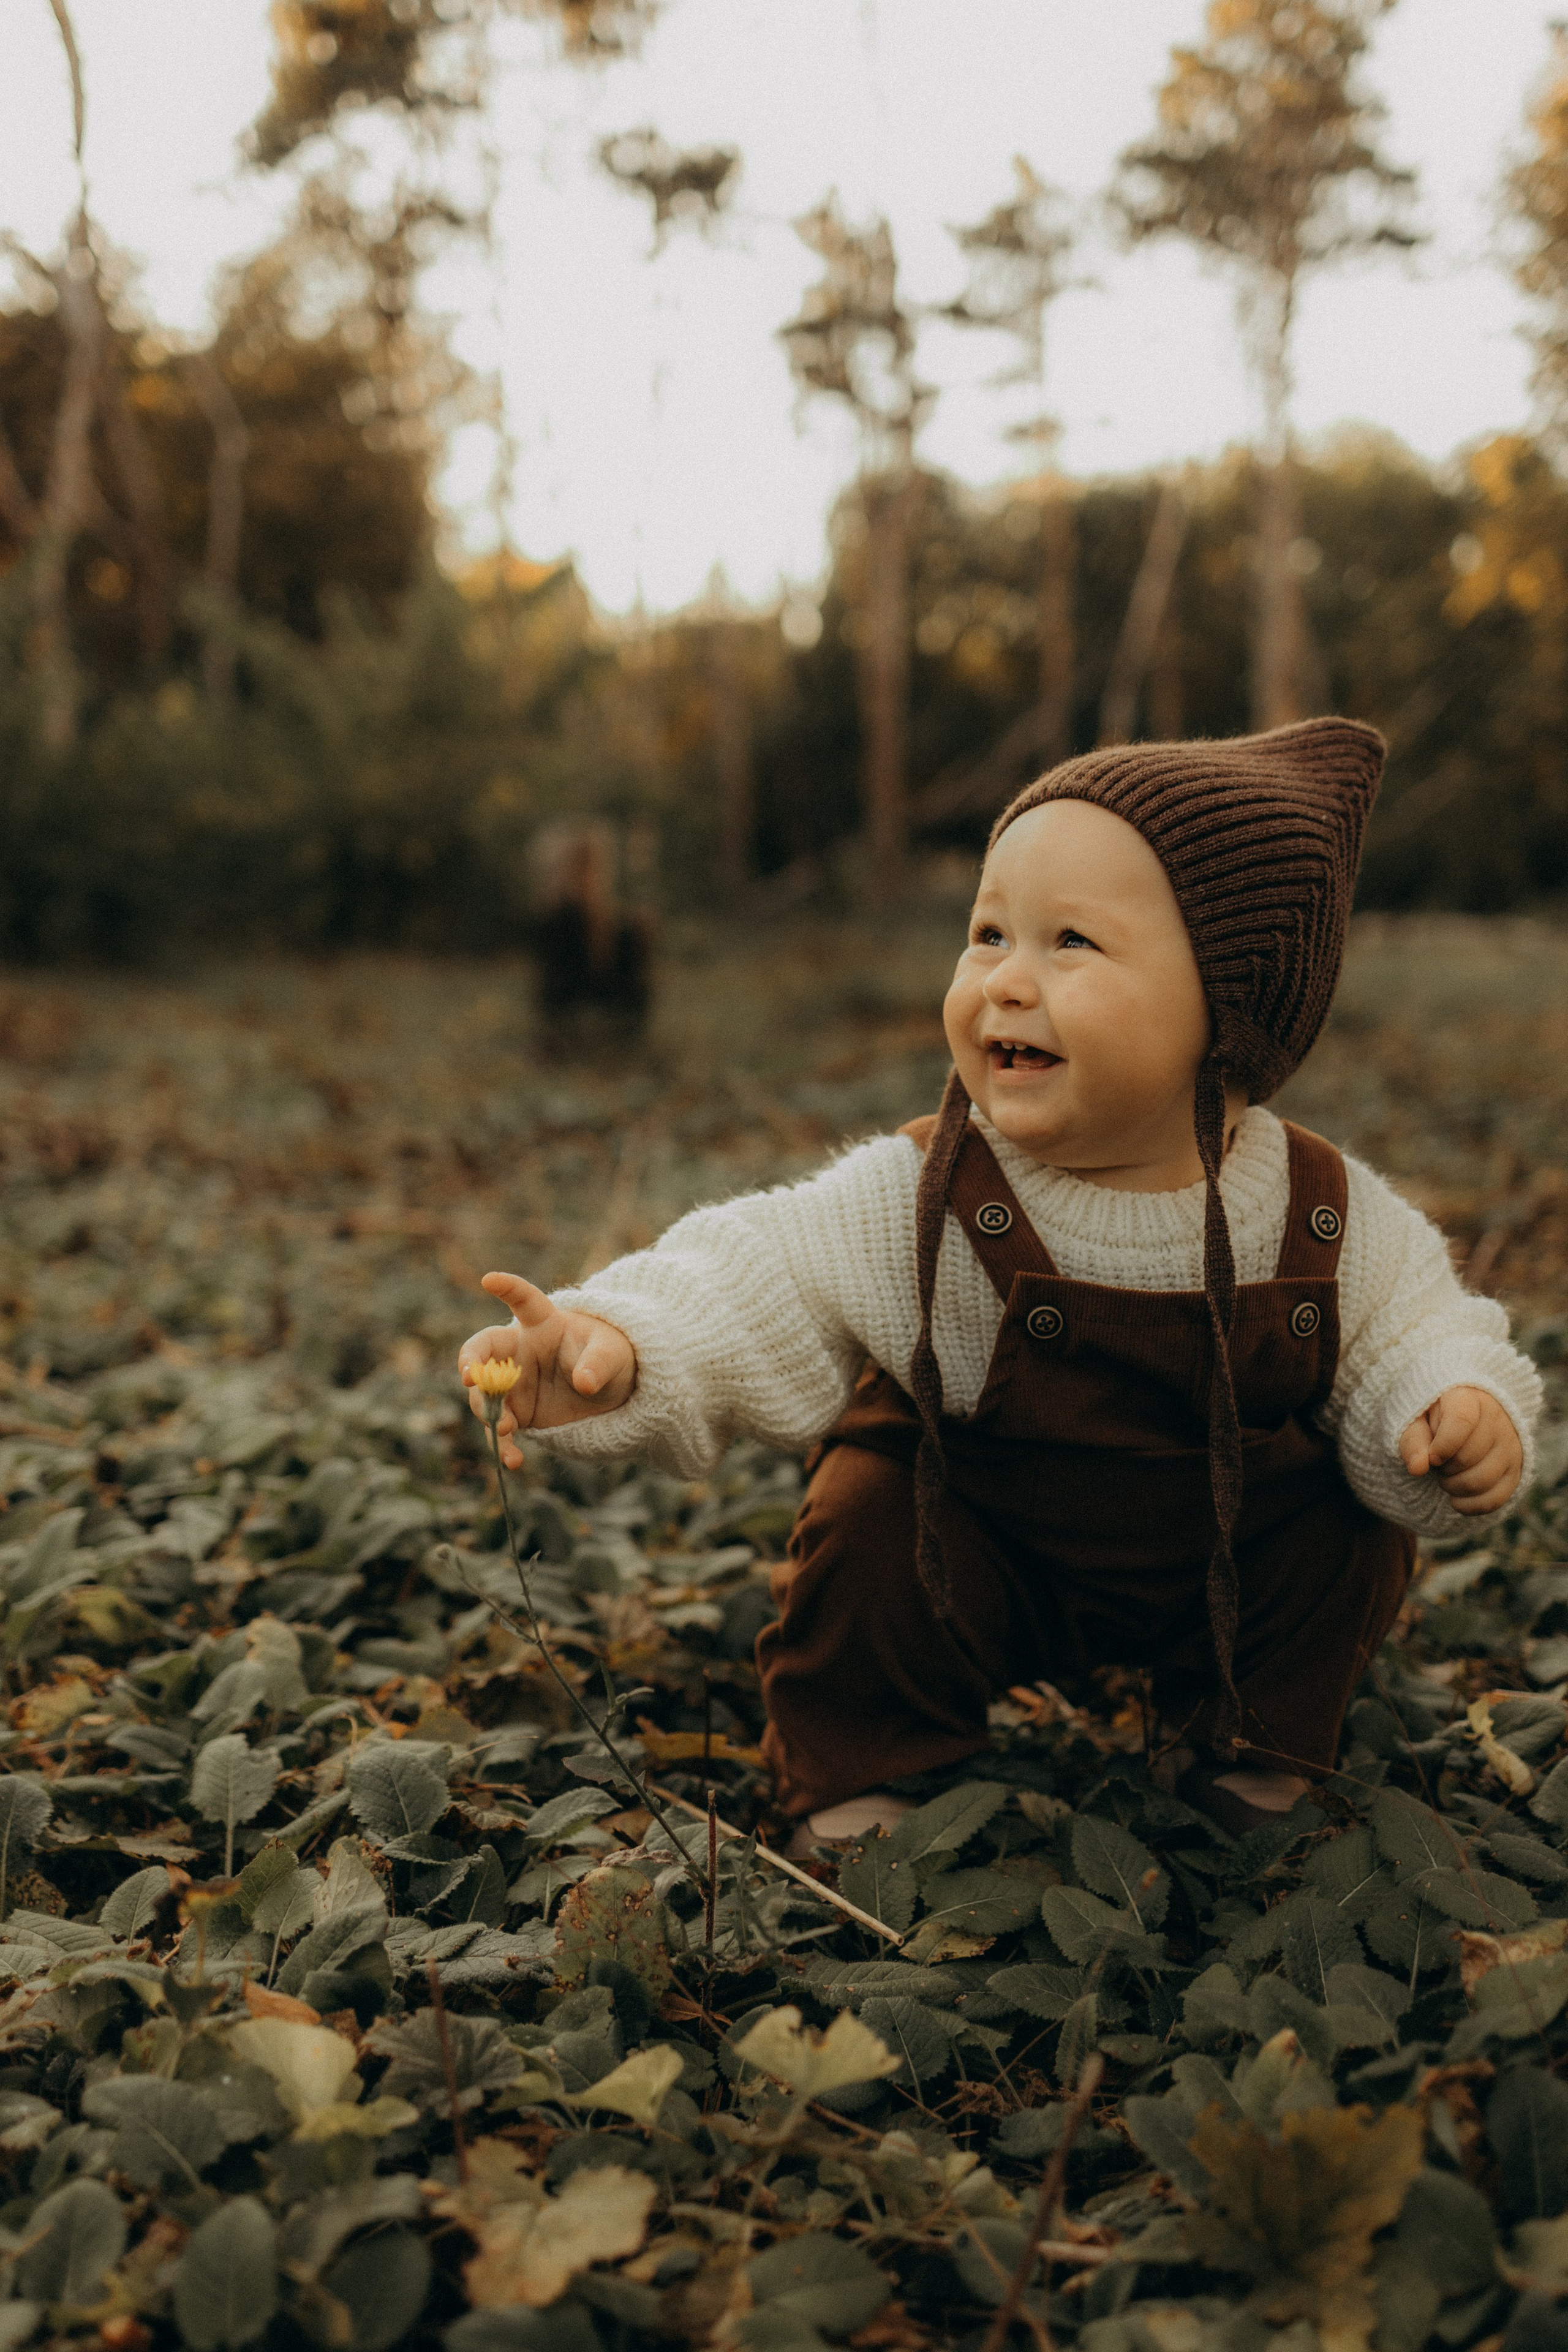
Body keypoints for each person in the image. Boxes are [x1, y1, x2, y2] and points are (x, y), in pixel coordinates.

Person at [459, 722, 1542, 1842]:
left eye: (1070, 942)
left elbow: (1417, 1323)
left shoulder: (1320, 1212)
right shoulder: (933, 1196)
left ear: (1230, 1002)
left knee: (1344, 1522)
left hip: (1216, 1565)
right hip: (979, 1552)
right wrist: (621, 1340)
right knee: (869, 1506)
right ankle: (871, 1764)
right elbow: (760, 1269)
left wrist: (1449, 1406)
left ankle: (1242, 1744)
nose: (1006, 982)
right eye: (987, 934)